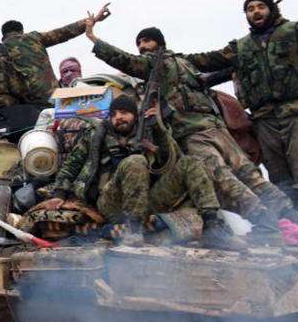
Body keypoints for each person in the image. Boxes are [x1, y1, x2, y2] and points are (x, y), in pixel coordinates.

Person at [84, 19, 298, 239]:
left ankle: (265, 223)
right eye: (138, 42)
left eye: (146, 41)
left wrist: (93, 39)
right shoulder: (189, 62)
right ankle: (294, 218)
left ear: (158, 43)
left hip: (192, 132)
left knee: (222, 177)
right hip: (216, 127)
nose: (141, 47)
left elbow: (124, 60)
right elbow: (217, 60)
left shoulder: (156, 65)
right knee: (249, 175)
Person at [183, 0, 298, 237]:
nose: (256, 12)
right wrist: (170, 59)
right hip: (264, 119)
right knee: (279, 176)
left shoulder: (295, 31)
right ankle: (296, 229)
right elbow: (208, 60)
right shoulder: (241, 47)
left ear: (271, 9)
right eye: (250, 9)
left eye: (260, 7)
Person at [47, 95, 246, 250]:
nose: (119, 117)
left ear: (135, 115)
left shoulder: (150, 132)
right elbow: (72, 164)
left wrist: (157, 129)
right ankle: (133, 230)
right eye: (115, 114)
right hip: (111, 201)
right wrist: (59, 194)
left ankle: (214, 228)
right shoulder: (95, 135)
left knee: (191, 163)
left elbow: (171, 159)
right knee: (135, 161)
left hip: (147, 200)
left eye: (124, 112)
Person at [0, 3, 109, 105]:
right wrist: (92, 20)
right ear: (21, 31)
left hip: (25, 103)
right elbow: (64, 32)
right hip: (52, 96)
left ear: (3, 35)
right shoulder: (34, 38)